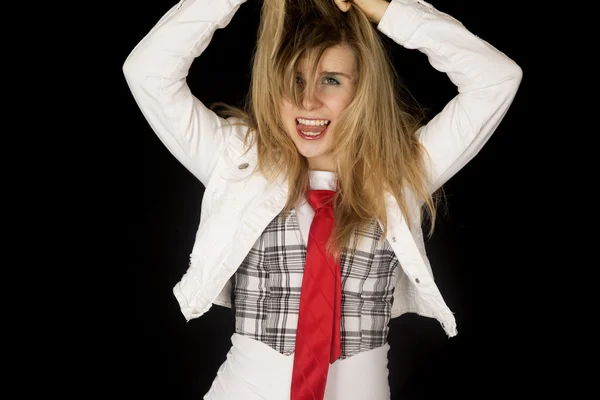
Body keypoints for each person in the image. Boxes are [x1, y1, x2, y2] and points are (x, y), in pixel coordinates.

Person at [123, 0, 522, 398]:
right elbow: (148, 72)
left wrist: (385, 11)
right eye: (294, 80)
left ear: (361, 88)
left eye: (330, 79)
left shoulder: (401, 170)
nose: (308, 101)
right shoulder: (236, 159)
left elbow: (496, 80)